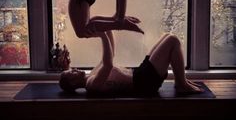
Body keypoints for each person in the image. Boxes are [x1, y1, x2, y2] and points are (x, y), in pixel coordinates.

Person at [59, 32, 204, 95]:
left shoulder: (93, 73)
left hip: (141, 73)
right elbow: (108, 64)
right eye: (71, 72)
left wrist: (106, 28)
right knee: (173, 40)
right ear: (72, 83)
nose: (74, 69)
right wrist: (102, 36)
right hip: (145, 83)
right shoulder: (91, 84)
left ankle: (181, 81)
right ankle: (181, 84)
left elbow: (111, 53)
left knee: (166, 36)